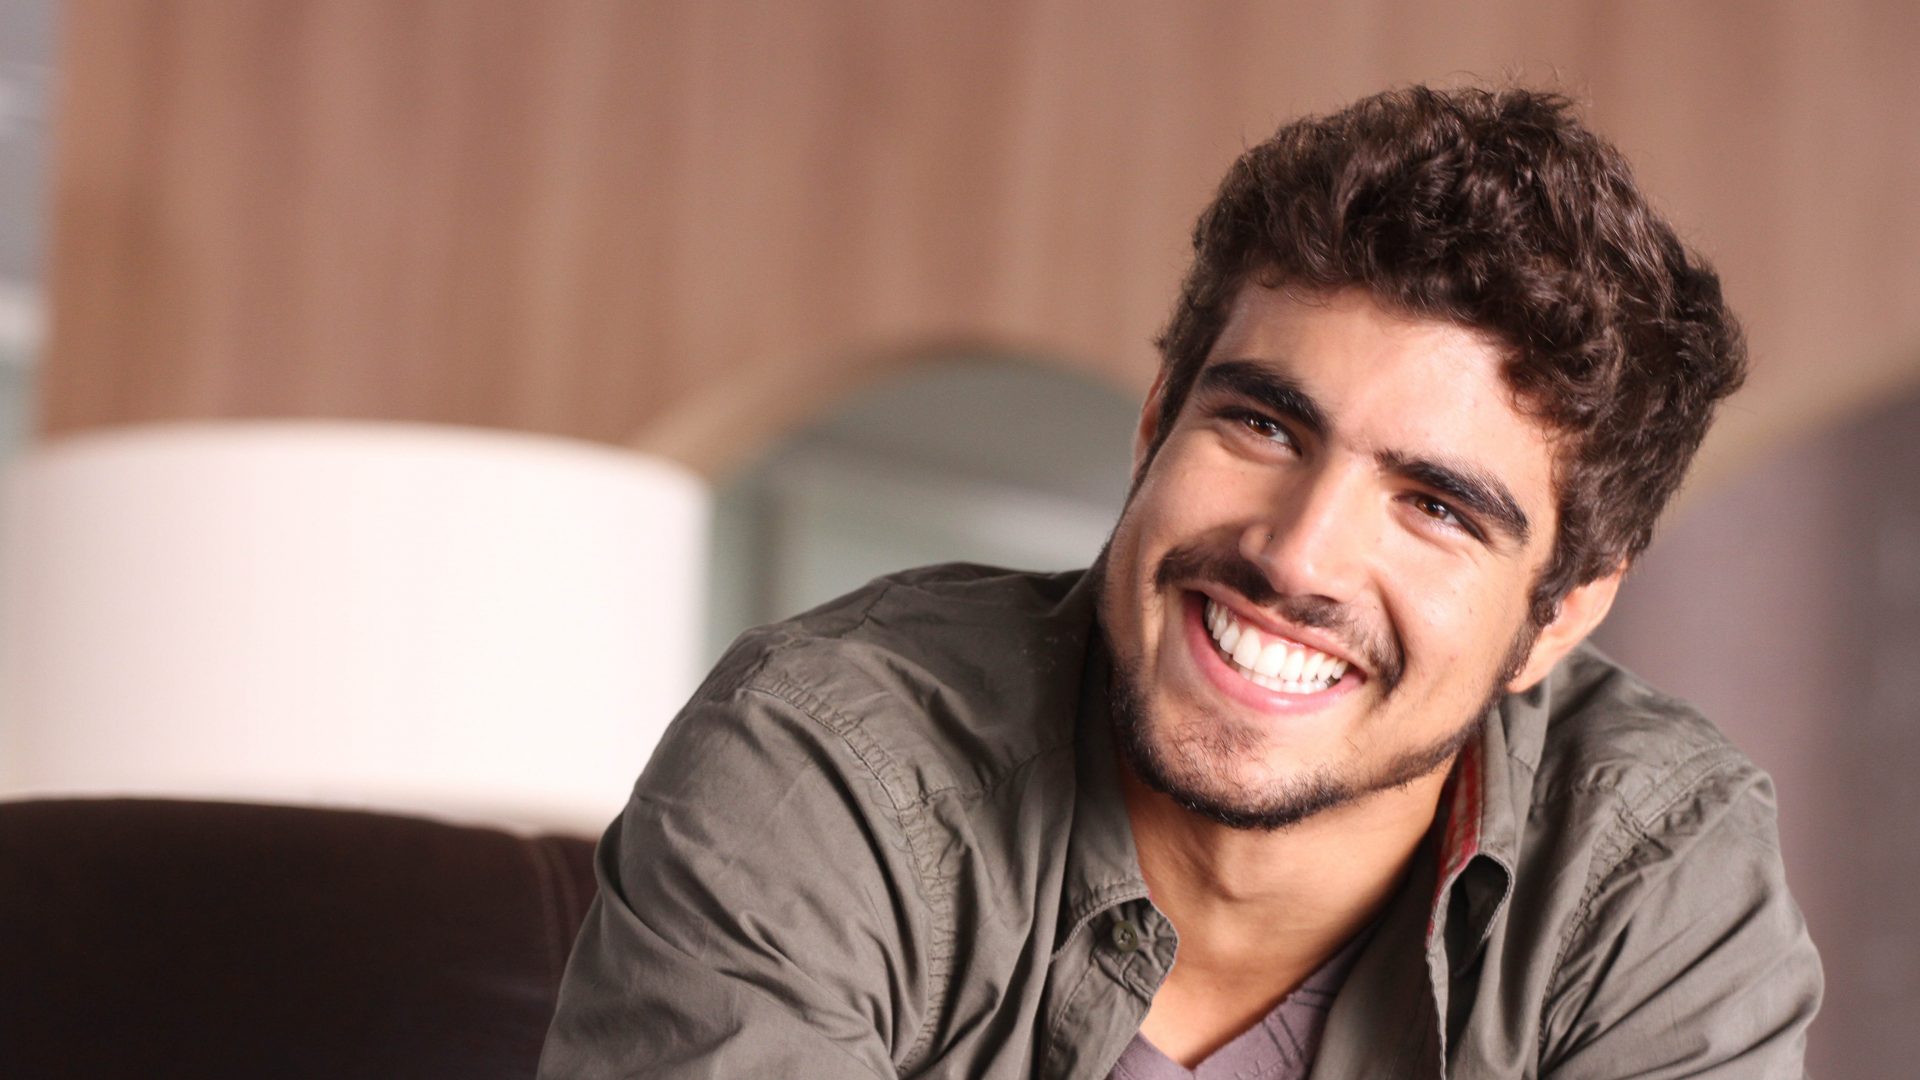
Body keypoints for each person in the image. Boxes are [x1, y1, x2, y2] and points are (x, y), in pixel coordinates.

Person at [538, 85, 1822, 1079]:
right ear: (1157, 423)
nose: (1296, 555)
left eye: (1435, 507)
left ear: (1562, 613)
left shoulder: (1650, 870)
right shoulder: (832, 763)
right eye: (1263, 426)